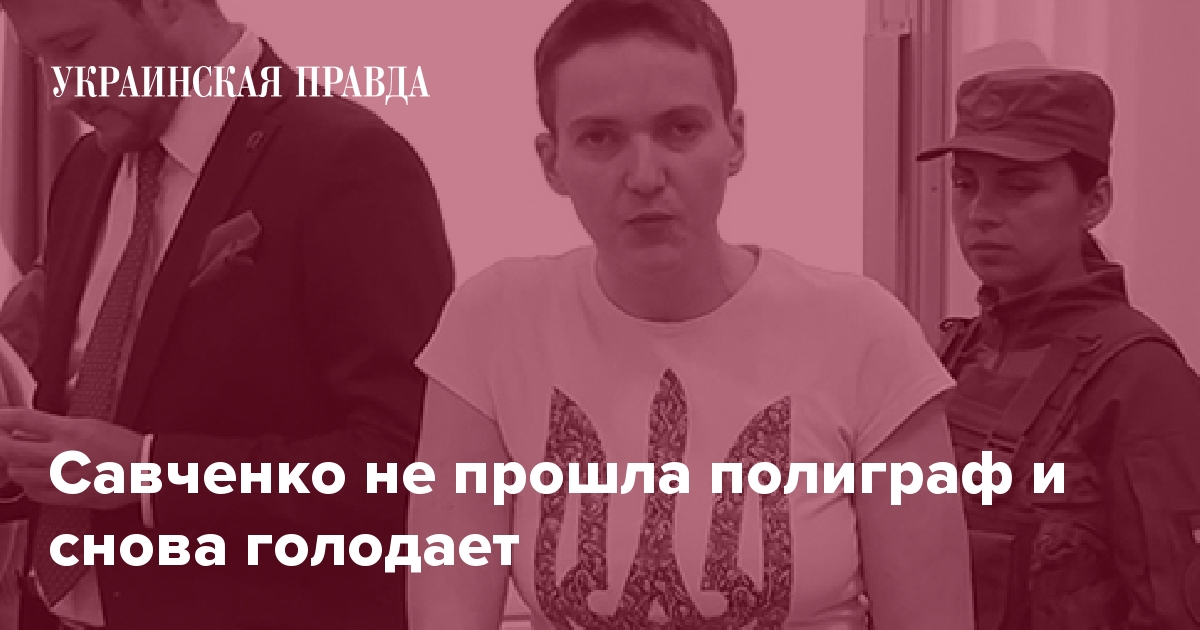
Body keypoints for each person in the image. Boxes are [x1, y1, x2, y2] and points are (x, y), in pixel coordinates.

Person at [408, 1, 972, 628]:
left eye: (680, 129)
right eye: (600, 138)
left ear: (735, 141)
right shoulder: (493, 325)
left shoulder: (864, 333)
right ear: (551, 161)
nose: (645, 176)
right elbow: (448, 605)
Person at [0, 0, 454, 628]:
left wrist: (152, 474)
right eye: (41, 60)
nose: (61, 93)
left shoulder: (348, 161)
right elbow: (89, 410)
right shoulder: (85, 167)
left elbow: (406, 463)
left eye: (74, 49)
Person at [918, 67, 1200, 629]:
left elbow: (1172, 610)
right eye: (965, 184)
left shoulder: (1140, 374)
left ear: (1095, 201)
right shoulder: (951, 354)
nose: (981, 213)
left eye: (1019, 187)